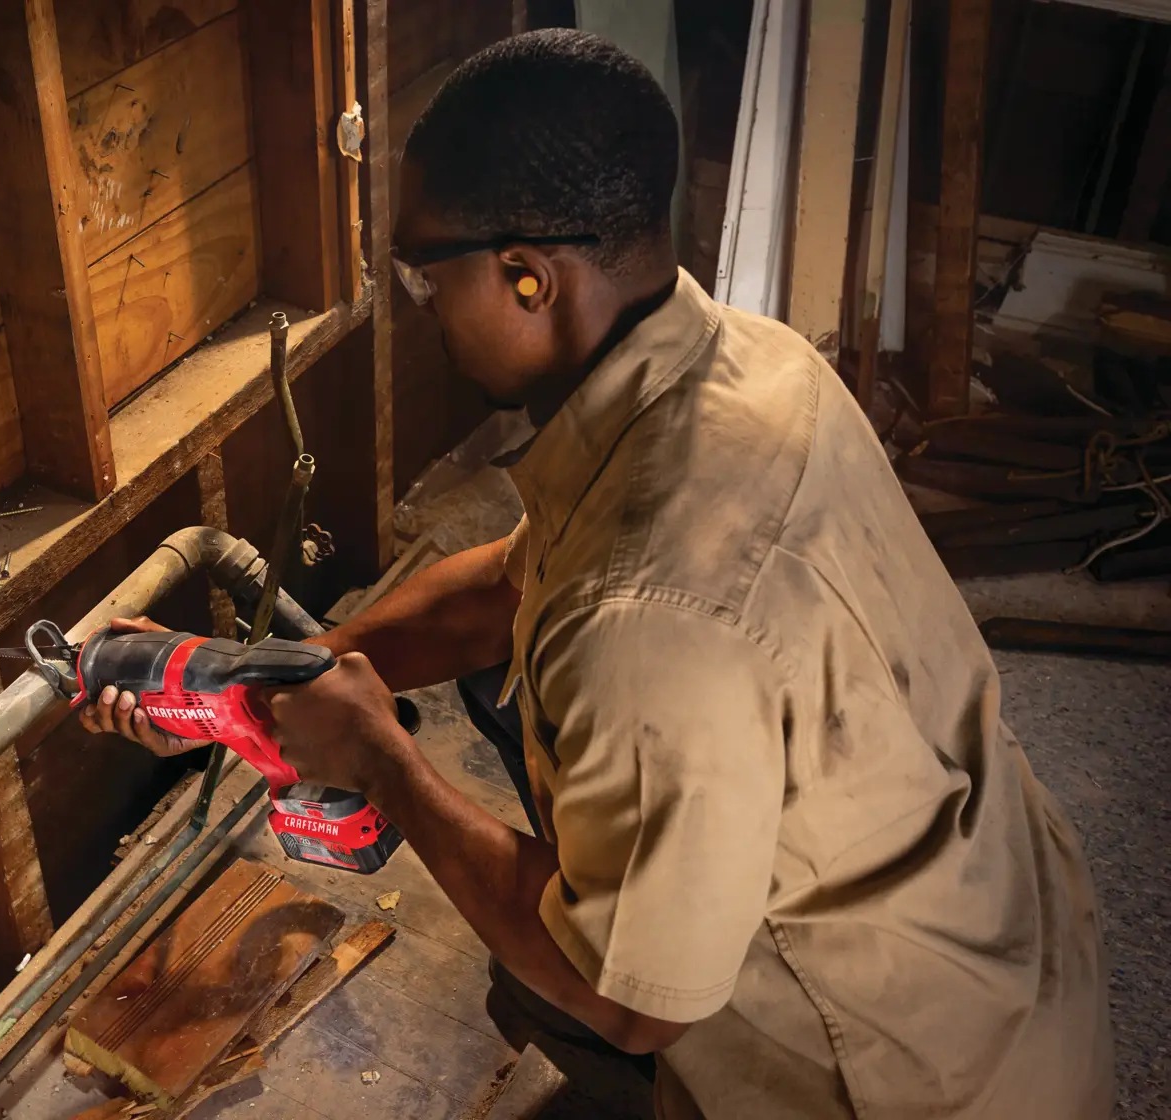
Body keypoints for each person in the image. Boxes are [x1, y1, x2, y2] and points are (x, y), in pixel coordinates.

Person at [81, 28, 1113, 1118]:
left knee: (578, 982)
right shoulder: (755, 360)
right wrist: (280, 676)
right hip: (1006, 945)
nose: (419, 310)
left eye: (424, 279)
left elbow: (634, 999)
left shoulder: (648, 618)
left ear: (528, 275)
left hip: (918, 1082)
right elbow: (505, 588)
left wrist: (383, 760)